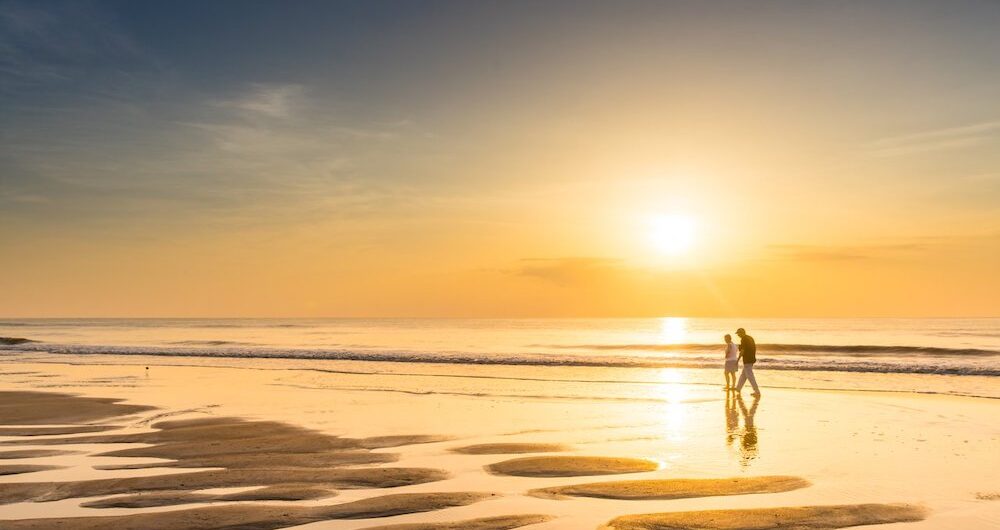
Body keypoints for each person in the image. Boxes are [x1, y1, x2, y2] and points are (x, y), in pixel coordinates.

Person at [735, 327, 760, 396]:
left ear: (741, 333)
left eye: (738, 333)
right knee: (744, 375)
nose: (737, 335)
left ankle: (757, 391)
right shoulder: (750, 338)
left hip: (747, 360)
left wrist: (737, 360)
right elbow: (753, 348)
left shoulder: (743, 339)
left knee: (750, 376)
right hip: (751, 358)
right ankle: (738, 388)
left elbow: (742, 351)